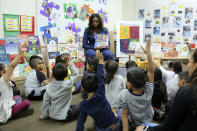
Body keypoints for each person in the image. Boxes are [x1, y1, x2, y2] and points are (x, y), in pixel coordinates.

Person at [135, 49, 197, 131]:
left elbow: (168, 127)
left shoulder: (186, 92)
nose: (188, 65)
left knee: (141, 126)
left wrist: (145, 129)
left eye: (190, 62)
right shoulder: (165, 83)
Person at [76, 50, 121, 131]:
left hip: (101, 128)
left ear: (82, 87)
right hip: (114, 125)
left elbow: (80, 123)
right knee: (119, 114)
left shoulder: (83, 105)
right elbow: (101, 78)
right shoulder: (100, 93)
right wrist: (100, 61)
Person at [119, 39, 154, 130]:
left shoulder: (124, 94)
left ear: (129, 84)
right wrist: (148, 54)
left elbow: (125, 115)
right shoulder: (149, 90)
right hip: (148, 121)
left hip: (133, 122)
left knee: (119, 112)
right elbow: (150, 71)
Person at [40, 54, 80, 121]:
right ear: (66, 74)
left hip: (52, 115)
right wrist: (69, 63)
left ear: (53, 73)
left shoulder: (49, 86)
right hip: (65, 116)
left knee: (70, 106)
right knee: (81, 105)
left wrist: (44, 115)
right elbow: (75, 73)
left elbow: (45, 103)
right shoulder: (68, 83)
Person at [0, 44, 32, 124]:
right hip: (5, 110)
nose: (9, 70)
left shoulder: (4, 80)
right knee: (26, 102)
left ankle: (16, 106)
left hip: (6, 102)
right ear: (2, 72)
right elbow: (12, 66)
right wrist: (19, 54)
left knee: (17, 97)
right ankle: (12, 114)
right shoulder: (2, 80)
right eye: (6, 68)